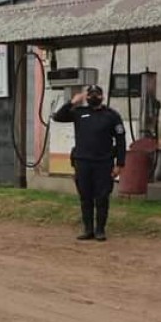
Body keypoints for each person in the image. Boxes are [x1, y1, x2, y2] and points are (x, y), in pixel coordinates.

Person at [52, 85, 126, 241]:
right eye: (90, 95)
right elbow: (58, 117)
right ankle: (88, 230)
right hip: (82, 162)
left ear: (102, 97)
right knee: (85, 197)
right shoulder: (79, 112)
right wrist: (73, 102)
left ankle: (100, 230)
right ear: (86, 97)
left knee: (102, 198)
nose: (94, 97)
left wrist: (120, 163)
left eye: (97, 95)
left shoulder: (111, 115)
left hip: (103, 163)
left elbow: (120, 140)